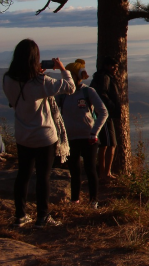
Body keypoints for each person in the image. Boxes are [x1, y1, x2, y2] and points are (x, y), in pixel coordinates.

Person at [3, 39, 75, 228]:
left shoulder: (7, 79)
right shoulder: (41, 81)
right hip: (44, 136)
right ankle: (42, 217)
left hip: (22, 136)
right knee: (43, 176)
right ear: (35, 58)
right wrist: (61, 68)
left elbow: (15, 101)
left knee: (23, 175)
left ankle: (20, 216)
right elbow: (70, 87)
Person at [59, 60, 108, 208]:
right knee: (74, 170)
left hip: (89, 138)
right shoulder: (62, 94)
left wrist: (94, 132)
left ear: (75, 76)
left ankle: (94, 200)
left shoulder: (88, 92)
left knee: (90, 169)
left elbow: (103, 112)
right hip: (70, 139)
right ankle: (75, 200)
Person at [90, 56, 121, 180]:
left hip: (99, 114)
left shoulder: (99, 76)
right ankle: (105, 174)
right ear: (107, 66)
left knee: (103, 145)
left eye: (116, 67)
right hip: (104, 115)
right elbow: (102, 93)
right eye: (113, 66)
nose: (115, 69)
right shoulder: (105, 77)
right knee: (110, 144)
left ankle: (102, 173)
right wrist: (111, 106)